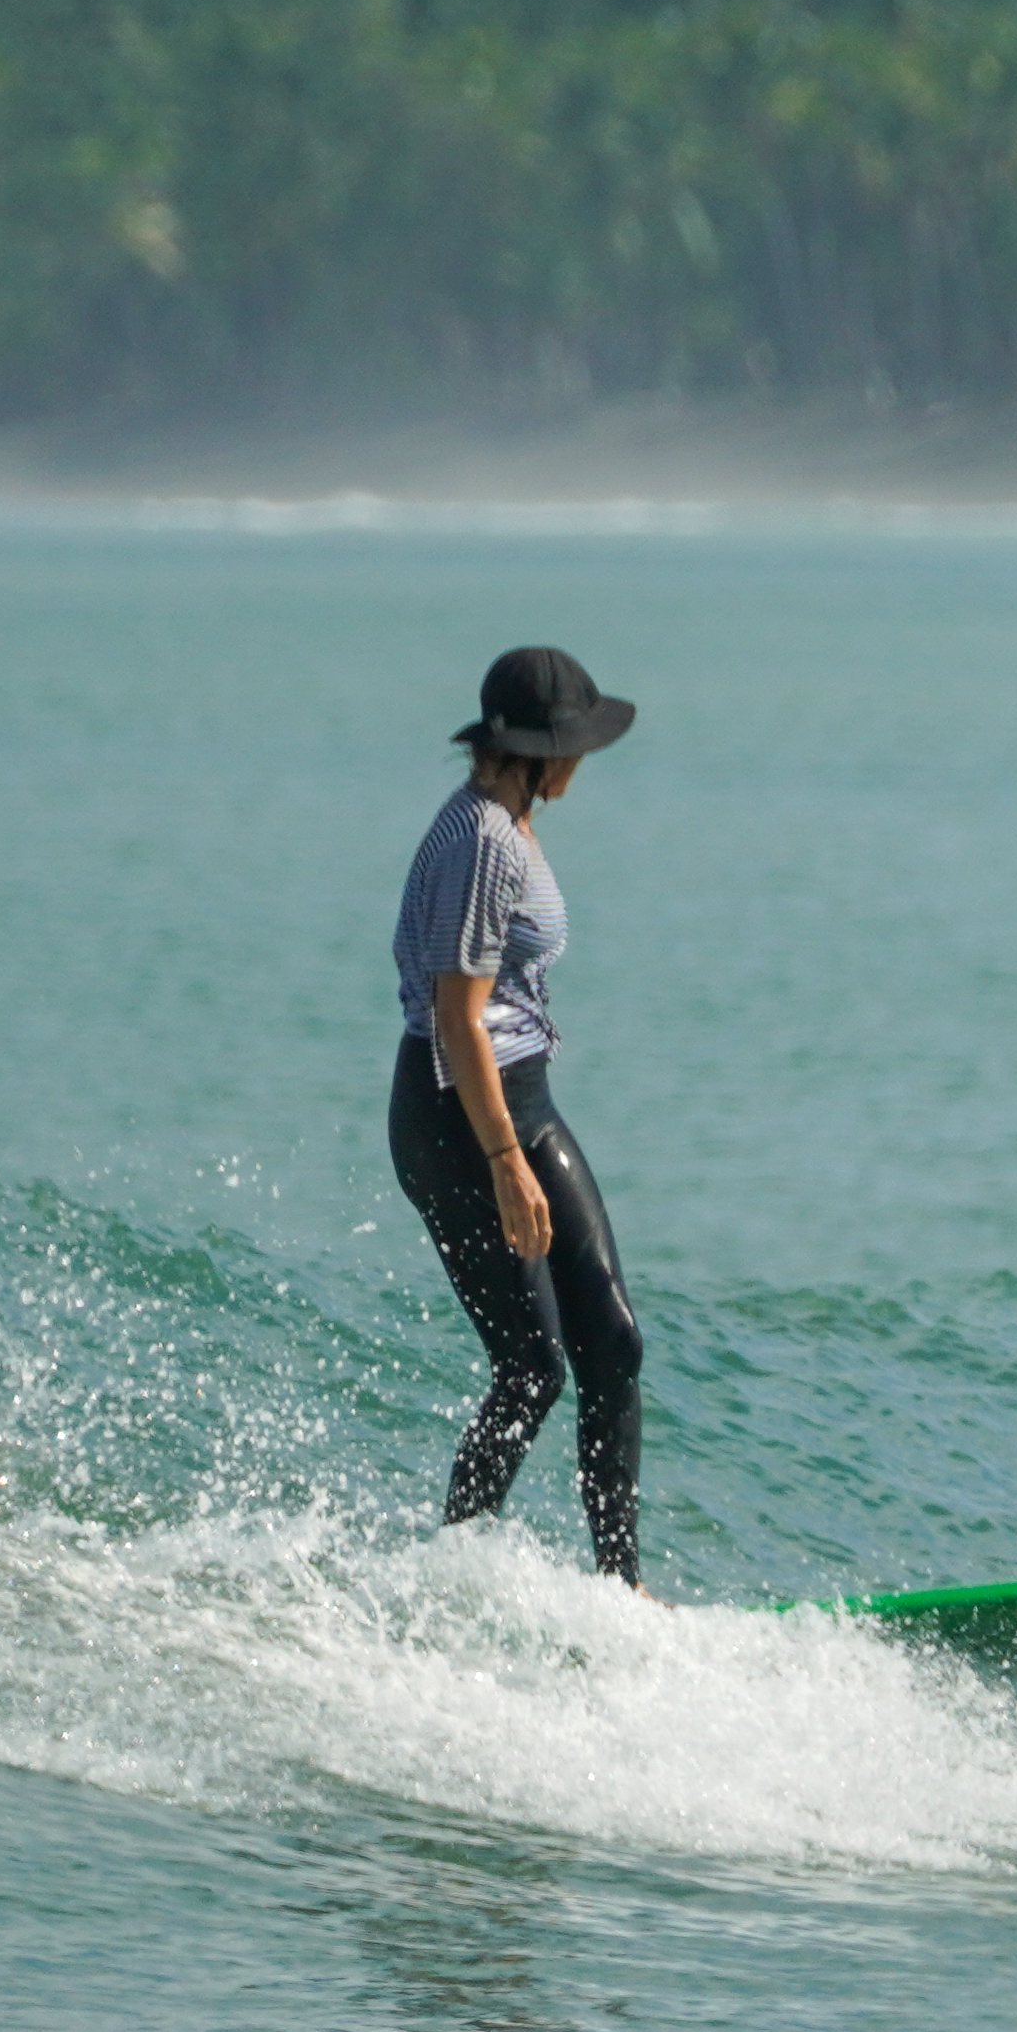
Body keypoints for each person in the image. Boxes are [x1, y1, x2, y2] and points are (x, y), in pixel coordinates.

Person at [389, 644, 654, 1584]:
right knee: (534, 1369)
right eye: (576, 743)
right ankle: (447, 1580)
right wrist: (505, 1163)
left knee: (612, 1343)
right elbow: (458, 1020)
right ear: (539, 751)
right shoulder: (483, 842)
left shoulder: (510, 821)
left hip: (522, 1098)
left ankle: (623, 1591)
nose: (586, 760)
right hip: (461, 1115)